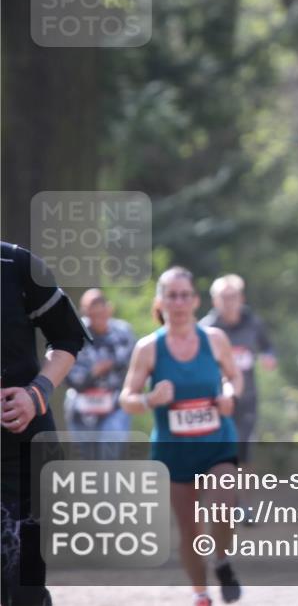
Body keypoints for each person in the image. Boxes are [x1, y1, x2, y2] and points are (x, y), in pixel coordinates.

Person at [120, 267, 243, 606]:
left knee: (223, 509)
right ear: (161, 301)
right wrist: (148, 399)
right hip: (174, 453)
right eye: (171, 295)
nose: (178, 302)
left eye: (184, 295)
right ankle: (201, 595)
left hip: (217, 442)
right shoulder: (148, 349)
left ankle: (222, 559)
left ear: (195, 300)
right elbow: (126, 399)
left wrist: (229, 396)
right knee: (189, 530)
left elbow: (234, 377)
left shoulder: (214, 339)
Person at [1, 241, 90, 606]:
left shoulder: (16, 263)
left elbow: (67, 336)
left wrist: (36, 393)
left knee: (24, 587)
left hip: (25, 446)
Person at [199, 274, 276, 519]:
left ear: (241, 298)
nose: (229, 302)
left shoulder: (253, 323)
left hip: (247, 399)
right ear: (214, 300)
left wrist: (268, 357)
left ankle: (245, 505)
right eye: (223, 297)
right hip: (215, 401)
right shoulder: (206, 329)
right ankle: (219, 503)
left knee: (243, 450)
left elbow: (268, 346)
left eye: (233, 297)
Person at [63, 288, 135, 458]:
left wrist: (108, 366)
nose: (98, 318)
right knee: (85, 462)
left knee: (108, 459)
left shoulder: (123, 332)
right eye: (92, 314)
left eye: (101, 312)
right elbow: (72, 378)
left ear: (109, 309)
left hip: (114, 405)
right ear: (84, 312)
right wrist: (96, 371)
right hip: (81, 410)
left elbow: (134, 363)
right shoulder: (74, 334)